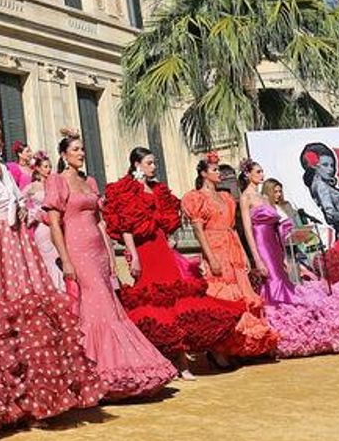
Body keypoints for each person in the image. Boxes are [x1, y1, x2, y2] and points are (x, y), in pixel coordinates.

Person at [0, 107, 103, 427]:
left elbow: (15, 204)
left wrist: (22, 215)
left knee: (28, 318)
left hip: (15, 244)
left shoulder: (2, 166)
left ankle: (32, 400)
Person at [47, 134, 177, 399]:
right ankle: (99, 373)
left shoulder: (90, 181)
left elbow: (101, 222)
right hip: (77, 250)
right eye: (75, 149)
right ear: (63, 155)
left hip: (98, 251)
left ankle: (125, 369)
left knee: (111, 307)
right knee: (97, 308)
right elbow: (54, 225)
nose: (81, 153)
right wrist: (66, 259)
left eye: (82, 148)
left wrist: (110, 255)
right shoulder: (57, 181)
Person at [105, 148, 244, 377]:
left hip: (162, 247)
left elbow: (167, 219)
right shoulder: (126, 189)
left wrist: (170, 237)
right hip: (144, 250)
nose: (154, 166)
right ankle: (169, 361)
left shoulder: (158, 189)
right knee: (155, 303)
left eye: (154, 162)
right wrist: (133, 256)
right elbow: (125, 227)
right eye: (149, 163)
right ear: (137, 164)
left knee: (177, 302)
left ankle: (183, 362)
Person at [182, 154, 278, 361]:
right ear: (203, 174)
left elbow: (234, 228)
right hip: (214, 247)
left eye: (219, 170)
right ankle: (219, 350)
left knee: (242, 294)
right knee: (222, 297)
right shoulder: (196, 197)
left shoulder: (225, 197)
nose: (219, 174)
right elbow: (198, 230)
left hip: (231, 247)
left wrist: (242, 253)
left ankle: (241, 345)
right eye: (215, 170)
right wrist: (210, 257)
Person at [253, 179, 339, 357]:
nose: (279, 194)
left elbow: (295, 228)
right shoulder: (268, 208)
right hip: (278, 251)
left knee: (304, 285)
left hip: (295, 249)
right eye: (275, 191)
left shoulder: (287, 207)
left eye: (280, 191)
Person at [19, 147, 66, 294]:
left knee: (60, 257)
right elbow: (19, 200)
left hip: (56, 226)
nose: (49, 169)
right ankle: (52, 292)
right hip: (42, 229)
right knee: (48, 260)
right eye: (45, 167)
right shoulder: (32, 187)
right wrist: (32, 214)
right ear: (38, 168)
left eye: (50, 166)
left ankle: (65, 291)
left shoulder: (54, 184)